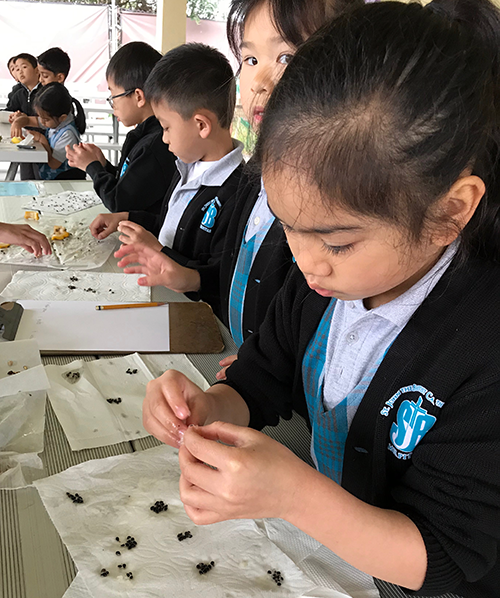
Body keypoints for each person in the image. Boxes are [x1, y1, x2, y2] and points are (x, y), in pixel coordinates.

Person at [141, 1, 500, 596]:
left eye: (336, 240)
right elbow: (261, 375)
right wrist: (207, 409)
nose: (305, 262)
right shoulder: (323, 283)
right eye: (286, 227)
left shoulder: (482, 341)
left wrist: (292, 494)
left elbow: (449, 558)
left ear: (449, 212)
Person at [114, 0, 362, 376]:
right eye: (250, 60)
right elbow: (232, 273)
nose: (259, 82)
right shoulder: (254, 179)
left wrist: (263, 372)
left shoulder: (337, 208)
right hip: (236, 359)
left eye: (287, 58)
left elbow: (317, 327)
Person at [90, 43, 244, 274]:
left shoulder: (236, 194)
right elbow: (169, 224)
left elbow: (217, 276)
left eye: (166, 127)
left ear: (201, 125)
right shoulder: (187, 166)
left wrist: (160, 253)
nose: (163, 139)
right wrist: (126, 217)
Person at [66, 42, 176, 215]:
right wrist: (103, 165)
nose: (112, 104)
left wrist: (92, 167)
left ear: (138, 96)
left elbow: (119, 202)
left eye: (113, 95)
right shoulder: (143, 136)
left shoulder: (155, 145)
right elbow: (128, 184)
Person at [29, 82, 85, 180]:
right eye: (39, 117)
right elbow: (40, 121)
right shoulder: (56, 121)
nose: (42, 122)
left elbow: (53, 164)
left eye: (45, 120)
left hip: (65, 181)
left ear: (62, 117)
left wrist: (41, 139)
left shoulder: (68, 135)